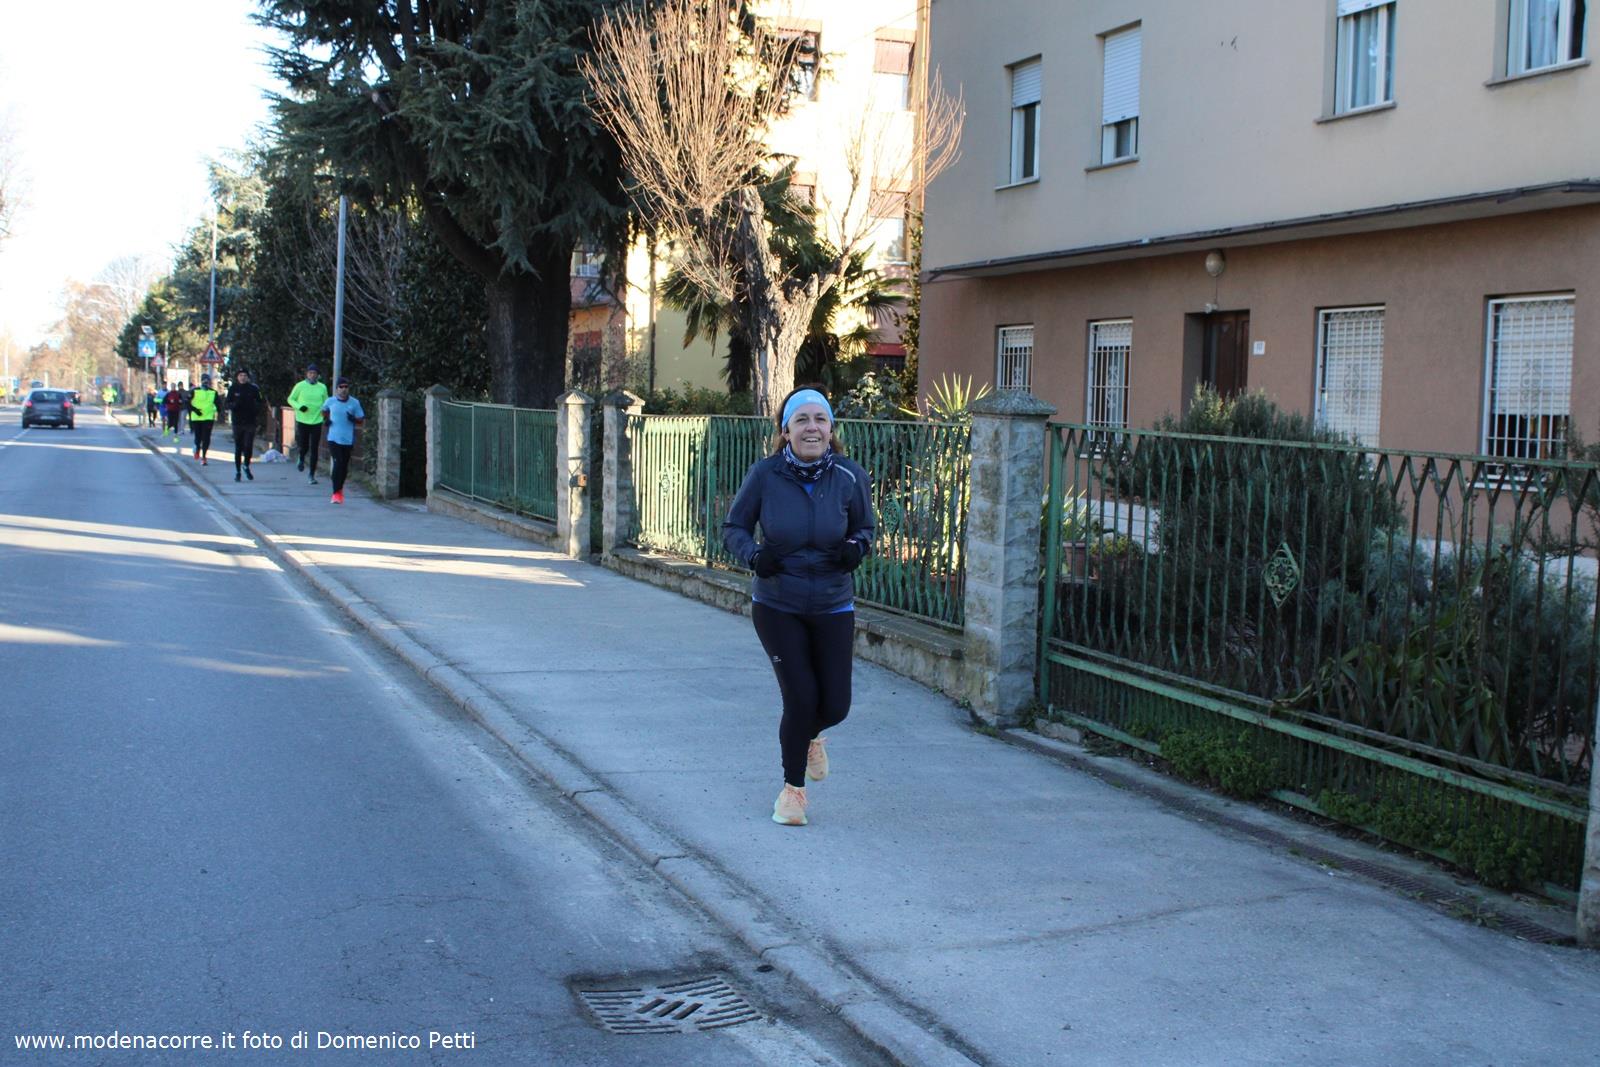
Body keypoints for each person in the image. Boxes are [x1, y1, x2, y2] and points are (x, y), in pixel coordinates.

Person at [722, 385, 875, 827]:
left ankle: (810, 738)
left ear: (831, 429)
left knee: (837, 706)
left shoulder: (849, 475)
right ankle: (792, 793)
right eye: (801, 420)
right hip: (778, 603)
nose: (812, 428)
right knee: (801, 697)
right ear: (785, 431)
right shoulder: (765, 474)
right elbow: (733, 528)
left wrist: (856, 547)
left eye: (820, 419)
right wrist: (754, 555)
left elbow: (865, 528)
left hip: (833, 603)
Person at [319, 377, 365, 505]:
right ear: (337, 389)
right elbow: (323, 410)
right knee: (338, 462)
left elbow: (361, 418)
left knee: (344, 467)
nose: (344, 389)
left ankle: (339, 489)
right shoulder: (330, 401)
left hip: (347, 440)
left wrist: (353, 419)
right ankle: (336, 493)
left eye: (346, 387)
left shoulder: (354, 403)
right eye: (341, 387)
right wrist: (326, 420)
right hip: (333, 438)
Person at [286, 364, 330, 484]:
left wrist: (326, 415)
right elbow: (290, 399)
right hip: (302, 420)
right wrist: (300, 407)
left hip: (317, 420)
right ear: (307, 374)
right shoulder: (300, 386)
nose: (312, 375)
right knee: (304, 445)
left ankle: (311, 475)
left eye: (314, 373)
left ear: (318, 375)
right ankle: (301, 457)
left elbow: (326, 402)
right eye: (310, 373)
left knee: (314, 448)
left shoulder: (322, 387)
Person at [225, 368, 263, 482]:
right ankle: (238, 471)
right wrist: (234, 405)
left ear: (248, 377)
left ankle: (246, 465)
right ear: (237, 377)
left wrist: (255, 410)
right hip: (237, 422)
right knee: (238, 447)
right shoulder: (233, 388)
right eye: (240, 375)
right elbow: (227, 403)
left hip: (250, 421)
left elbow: (260, 402)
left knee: (248, 446)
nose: (243, 377)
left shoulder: (253, 389)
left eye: (245, 375)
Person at [188, 375, 218, 465]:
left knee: (206, 438)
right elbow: (187, 403)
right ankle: (197, 448)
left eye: (207, 381)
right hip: (197, 418)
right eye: (204, 381)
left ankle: (204, 457)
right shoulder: (194, 391)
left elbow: (219, 404)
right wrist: (195, 410)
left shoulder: (213, 392)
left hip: (208, 418)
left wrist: (217, 410)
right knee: (198, 437)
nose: (206, 383)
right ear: (201, 381)